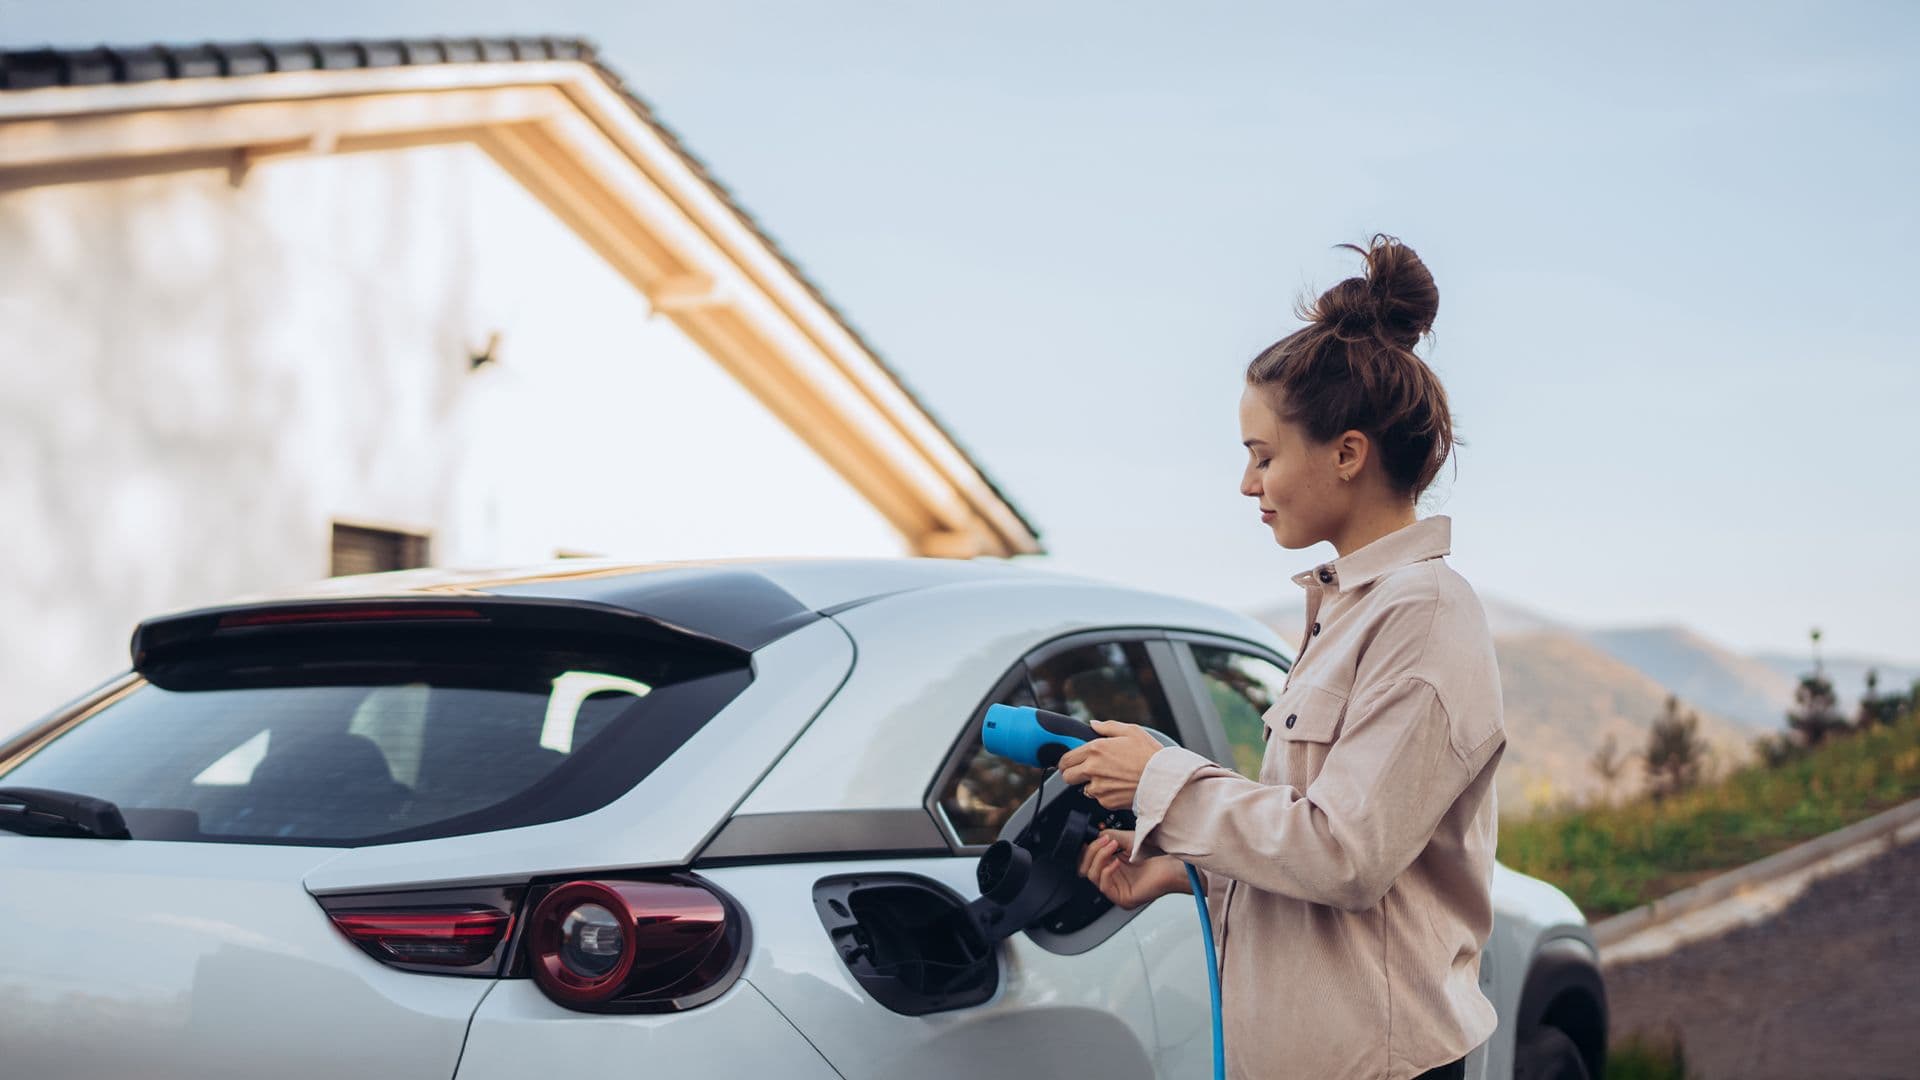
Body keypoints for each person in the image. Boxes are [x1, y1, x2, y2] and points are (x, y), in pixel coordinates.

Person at [1058, 234, 1505, 1080]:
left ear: (1346, 453)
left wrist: (1162, 780)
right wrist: (1183, 871)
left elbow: (1346, 855)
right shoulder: (1349, 610)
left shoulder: (1425, 615)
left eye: (1263, 457)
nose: (1247, 485)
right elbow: (1313, 850)